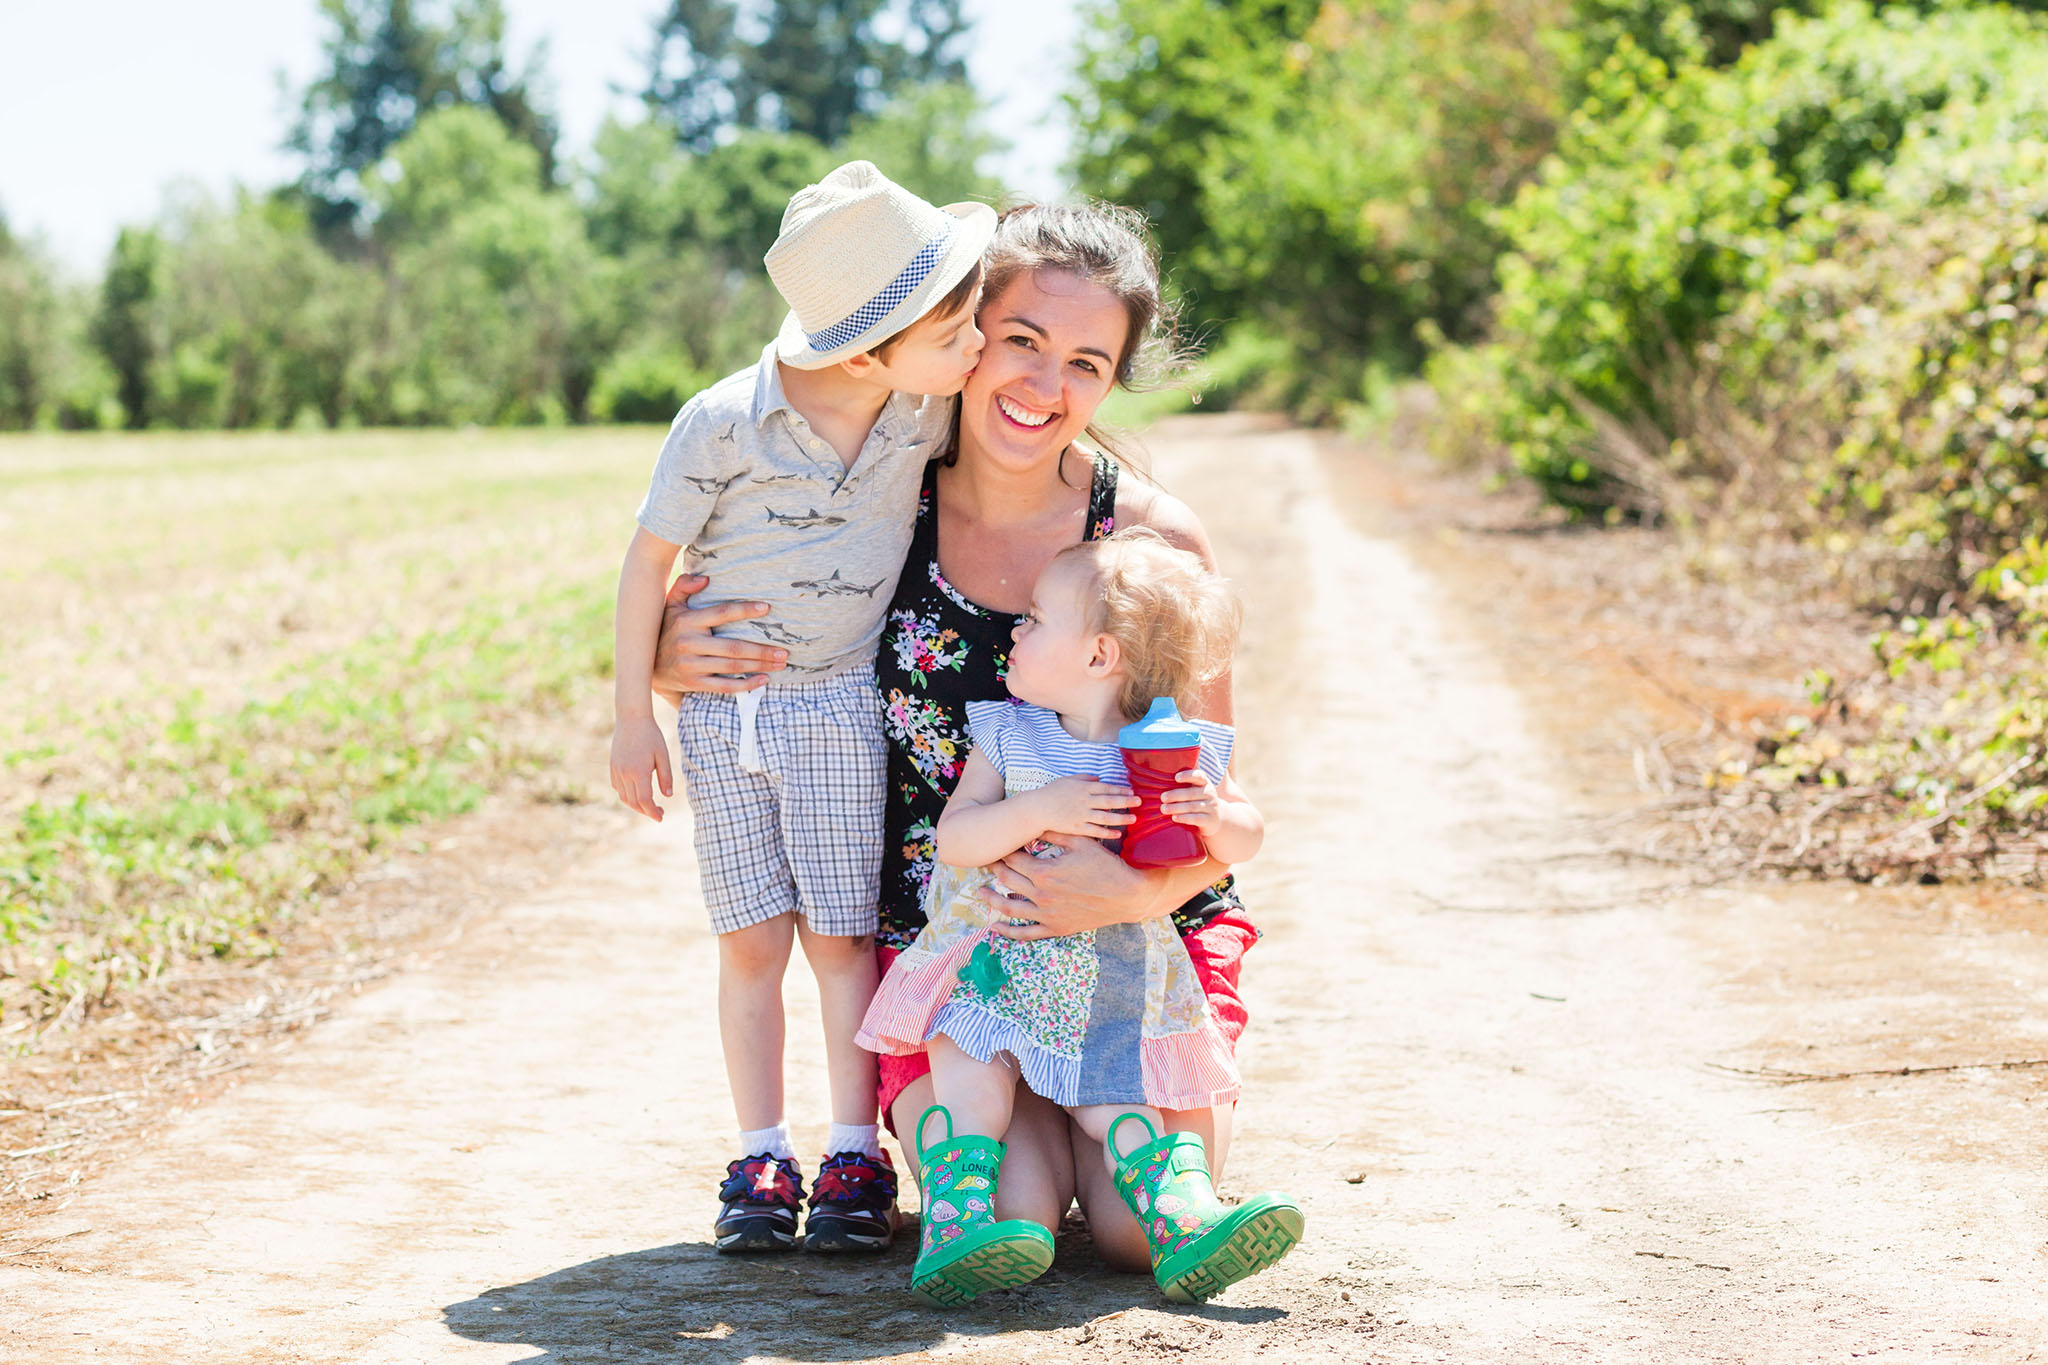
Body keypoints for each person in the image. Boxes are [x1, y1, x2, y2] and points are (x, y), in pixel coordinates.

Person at [650, 201, 1266, 1279]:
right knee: (1009, 1210)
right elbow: (722, 604)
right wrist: (671, 657)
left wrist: (1121, 895)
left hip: (1131, 939)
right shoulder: (880, 494)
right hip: (952, 938)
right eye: (1019, 340)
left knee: (1127, 1235)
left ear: (1113, 378)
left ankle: (1123, 1150)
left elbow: (1204, 797)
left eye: (1084, 361)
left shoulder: (1150, 544)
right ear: (966, 330)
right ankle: (1007, 1147)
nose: (1041, 385)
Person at [609, 160, 993, 1254]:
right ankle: (759, 1152)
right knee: (746, 944)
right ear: (866, 348)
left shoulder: (919, 411)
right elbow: (645, 563)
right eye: (955, 327)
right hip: (726, 720)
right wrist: (635, 714)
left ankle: (852, 1153)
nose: (974, 344)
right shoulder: (722, 424)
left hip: (835, 710)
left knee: (837, 939)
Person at [857, 527, 1302, 1305]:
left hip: (1101, 982)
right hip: (992, 966)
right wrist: (1044, 806)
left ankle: (1182, 1217)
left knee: (1117, 1099)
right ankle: (957, 1224)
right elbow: (956, 838)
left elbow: (1247, 836)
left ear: (1100, 656)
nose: (1014, 632)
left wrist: (1211, 815)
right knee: (973, 1087)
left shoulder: (1167, 751)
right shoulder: (1010, 734)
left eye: (1033, 619)